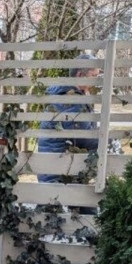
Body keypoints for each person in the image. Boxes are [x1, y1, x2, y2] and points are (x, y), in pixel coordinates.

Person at [36, 54, 101, 184]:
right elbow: (84, 138)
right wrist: (108, 140)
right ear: (80, 75)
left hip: (60, 170)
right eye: (94, 76)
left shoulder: (71, 96)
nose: (96, 80)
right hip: (57, 176)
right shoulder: (70, 100)